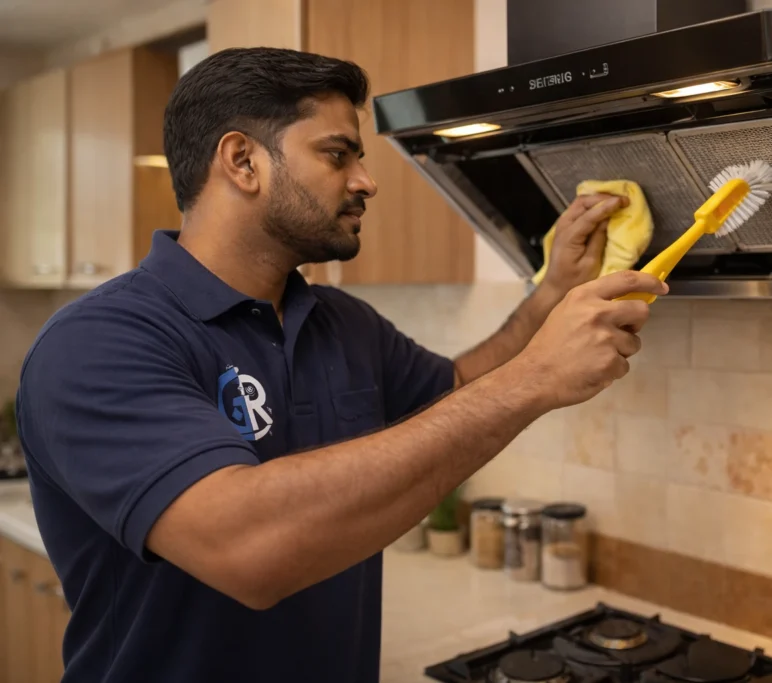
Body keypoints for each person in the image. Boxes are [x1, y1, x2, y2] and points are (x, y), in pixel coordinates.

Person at [15, 47, 666, 683]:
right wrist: (535, 381)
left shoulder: (341, 321)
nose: (365, 181)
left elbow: (457, 394)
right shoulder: (99, 342)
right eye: (337, 154)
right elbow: (248, 549)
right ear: (243, 161)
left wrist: (550, 294)